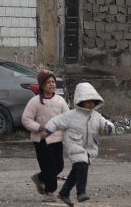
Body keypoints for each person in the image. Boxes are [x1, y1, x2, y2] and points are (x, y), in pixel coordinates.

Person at [41, 82, 115, 206]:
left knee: (76, 170)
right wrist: (47, 130)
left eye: (93, 101)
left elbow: (105, 124)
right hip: (74, 145)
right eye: (88, 101)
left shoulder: (97, 116)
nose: (91, 103)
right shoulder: (71, 115)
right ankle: (81, 192)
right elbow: (56, 121)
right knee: (82, 165)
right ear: (81, 101)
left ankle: (64, 192)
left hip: (89, 148)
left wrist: (109, 127)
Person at [22, 70, 69, 199]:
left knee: (58, 166)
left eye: (53, 82)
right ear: (42, 85)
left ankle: (39, 178)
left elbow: (67, 118)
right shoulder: (35, 101)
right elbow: (26, 119)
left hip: (57, 139)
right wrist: (38, 127)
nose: (52, 84)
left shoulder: (60, 101)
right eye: (48, 82)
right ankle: (49, 192)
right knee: (49, 167)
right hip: (41, 139)